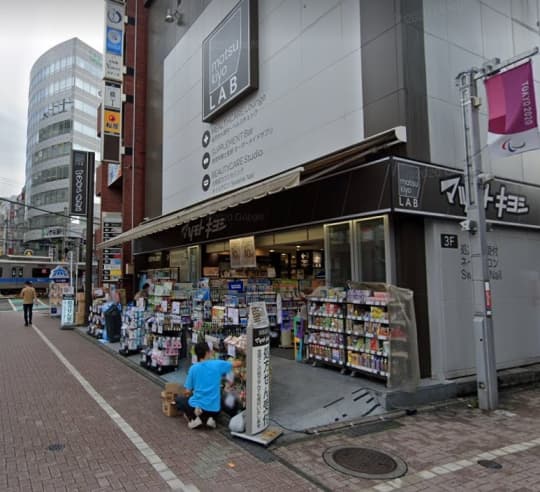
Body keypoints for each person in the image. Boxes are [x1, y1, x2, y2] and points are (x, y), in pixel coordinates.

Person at [175, 341, 241, 429]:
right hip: (214, 408)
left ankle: (194, 418)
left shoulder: (193, 368)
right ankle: (212, 418)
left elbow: (187, 391)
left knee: (179, 399)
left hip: (197, 405)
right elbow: (237, 364)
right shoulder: (217, 364)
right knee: (223, 398)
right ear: (207, 353)